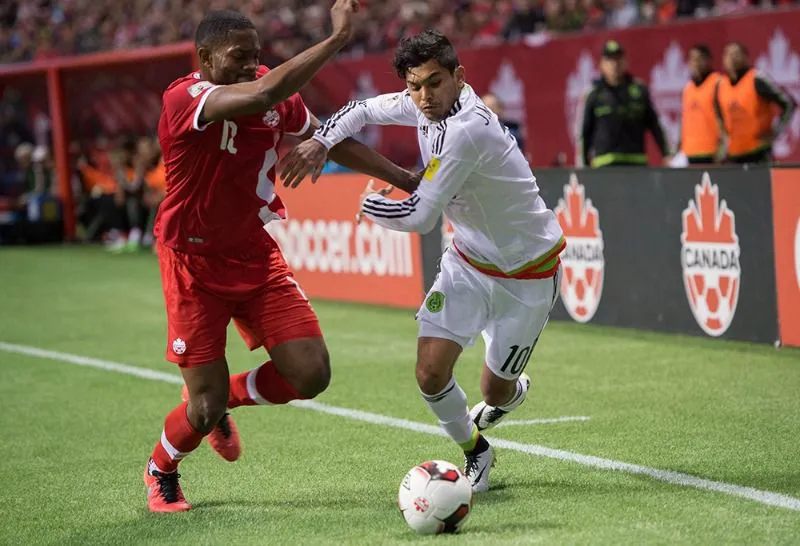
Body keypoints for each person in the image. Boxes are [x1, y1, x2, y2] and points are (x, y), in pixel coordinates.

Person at [146, 2, 421, 513]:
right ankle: (162, 469)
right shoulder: (185, 98)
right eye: (238, 58)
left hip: (254, 254)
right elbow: (265, 92)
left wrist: (408, 179)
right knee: (201, 411)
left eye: (256, 56)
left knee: (311, 373)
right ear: (204, 58)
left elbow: (329, 140)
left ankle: (230, 394)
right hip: (191, 263)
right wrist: (337, 39)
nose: (252, 66)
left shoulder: (271, 92)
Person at [281, 30, 565, 493]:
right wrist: (322, 141)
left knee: (496, 391)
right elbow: (363, 110)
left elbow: (419, 217)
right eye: (414, 85)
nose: (423, 96)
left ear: (459, 76)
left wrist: (370, 204)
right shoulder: (422, 105)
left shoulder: (468, 129)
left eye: (434, 83)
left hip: (528, 273)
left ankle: (511, 389)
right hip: (469, 263)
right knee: (429, 372)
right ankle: (478, 453)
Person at [577, 40, 672, 167]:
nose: (614, 64)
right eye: (610, 60)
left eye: (618, 59)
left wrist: (667, 154)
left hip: (635, 162)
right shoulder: (594, 94)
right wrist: (583, 164)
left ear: (625, 62)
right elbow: (584, 133)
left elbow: (655, 125)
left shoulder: (638, 91)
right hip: (605, 164)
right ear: (602, 64)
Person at [715, 41, 796, 165]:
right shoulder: (721, 85)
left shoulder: (756, 79)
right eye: (728, 55)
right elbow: (720, 118)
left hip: (758, 152)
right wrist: (723, 147)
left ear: (746, 58)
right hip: (733, 154)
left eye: (736, 54)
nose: (732, 58)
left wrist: (775, 132)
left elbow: (788, 103)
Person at [678, 45, 723, 165]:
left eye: (699, 59)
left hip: (713, 153)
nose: (695, 63)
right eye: (692, 59)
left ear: (708, 61)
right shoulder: (688, 88)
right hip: (691, 153)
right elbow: (684, 120)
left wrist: (722, 150)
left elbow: (726, 119)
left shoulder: (718, 83)